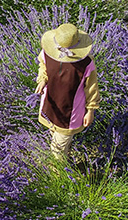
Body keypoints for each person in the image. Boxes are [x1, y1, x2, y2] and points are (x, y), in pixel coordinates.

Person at [34, 23, 100, 160]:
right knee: (55, 134)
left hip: (71, 112)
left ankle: (57, 170)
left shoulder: (85, 63)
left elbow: (92, 88)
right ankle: (66, 157)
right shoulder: (48, 52)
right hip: (51, 104)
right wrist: (42, 80)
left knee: (57, 149)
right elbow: (43, 66)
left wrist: (90, 110)